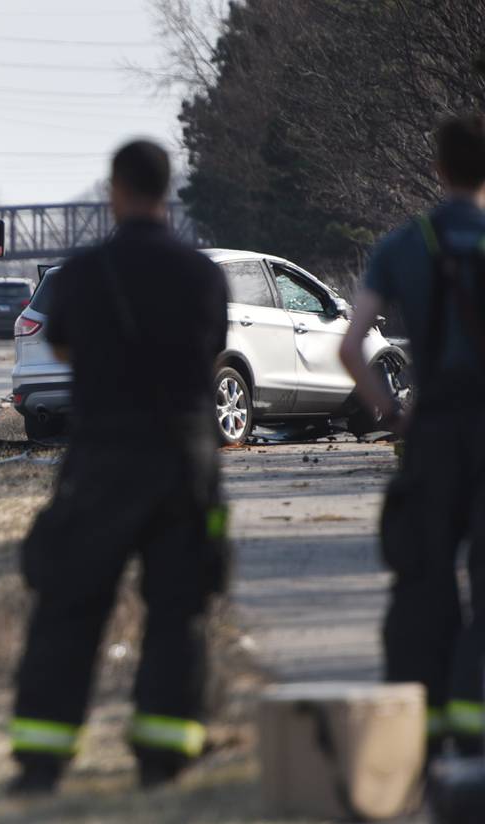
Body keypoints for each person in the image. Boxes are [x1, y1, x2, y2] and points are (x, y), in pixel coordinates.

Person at [7, 140, 230, 794]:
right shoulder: (204, 277)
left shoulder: (82, 275)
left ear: (117, 191)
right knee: (180, 609)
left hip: (102, 455)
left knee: (69, 603)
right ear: (167, 193)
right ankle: (165, 754)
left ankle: (41, 760)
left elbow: (65, 342)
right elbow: (210, 346)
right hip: (186, 459)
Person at [340, 113, 485, 758]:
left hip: (431, 432)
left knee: (423, 578)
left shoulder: (407, 244)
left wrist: (394, 413)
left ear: (438, 169)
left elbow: (351, 346)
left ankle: (422, 731)